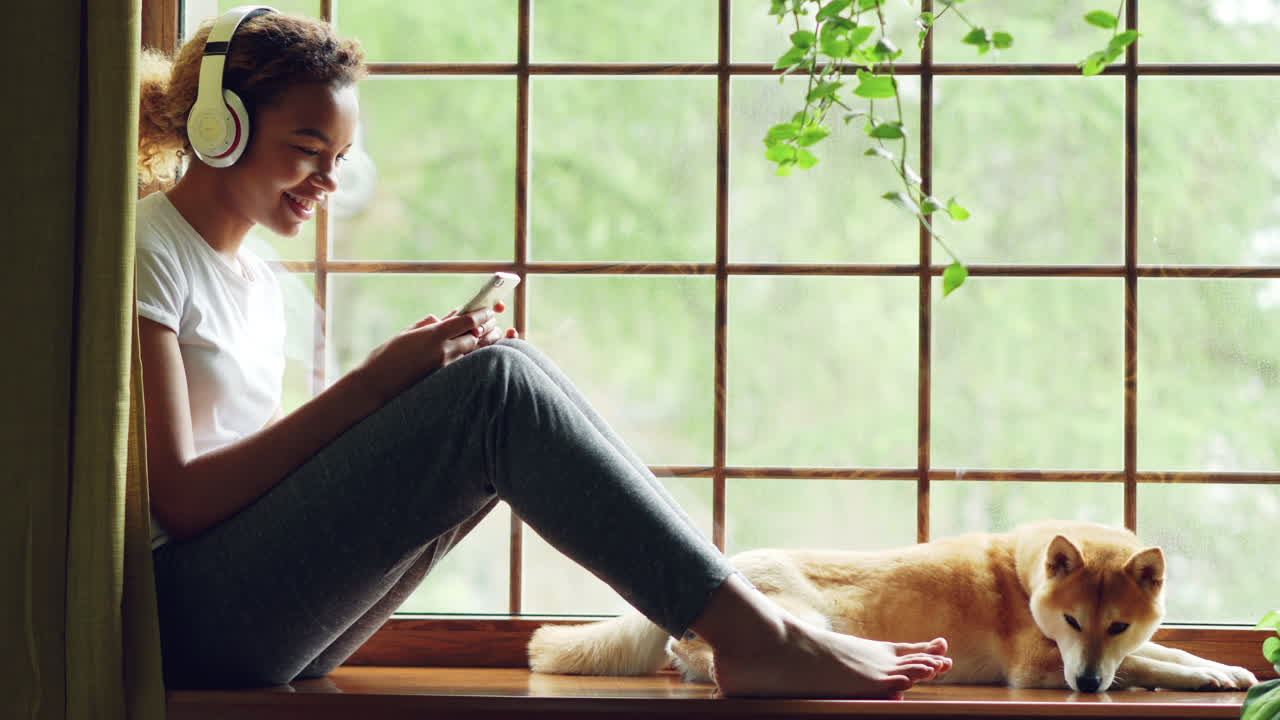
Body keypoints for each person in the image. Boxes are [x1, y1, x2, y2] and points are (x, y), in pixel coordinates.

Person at [134, 8, 953, 695]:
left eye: (340, 160)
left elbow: (268, 472)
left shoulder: (254, 277)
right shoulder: (145, 251)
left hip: (261, 613)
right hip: (193, 619)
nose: (329, 181)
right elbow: (183, 501)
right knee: (493, 390)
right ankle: (751, 631)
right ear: (221, 126)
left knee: (497, 375)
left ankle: (746, 624)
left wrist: (405, 387)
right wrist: (376, 389)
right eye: (308, 150)